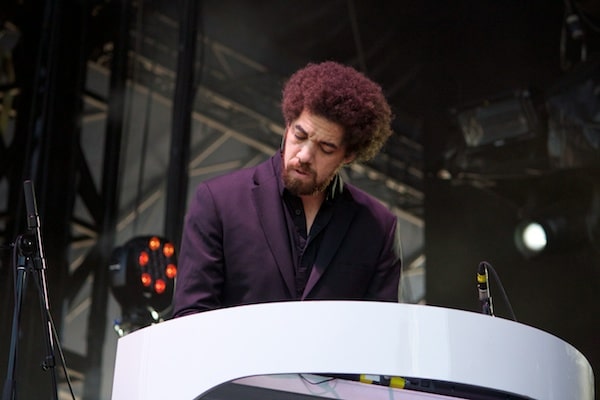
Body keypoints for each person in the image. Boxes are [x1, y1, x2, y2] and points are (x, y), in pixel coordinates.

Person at [172, 61, 402, 317]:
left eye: (325, 148)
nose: (304, 155)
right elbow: (191, 316)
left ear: (348, 155)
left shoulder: (378, 227)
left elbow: (383, 329)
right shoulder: (218, 201)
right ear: (287, 126)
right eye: (299, 136)